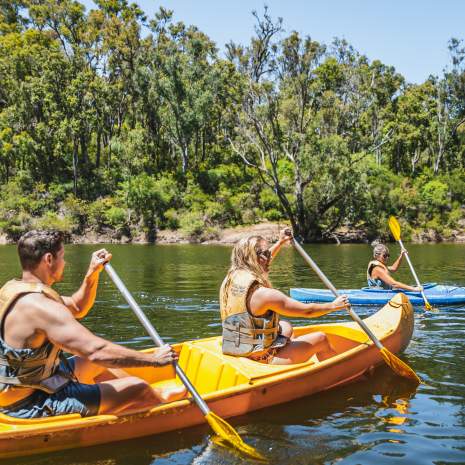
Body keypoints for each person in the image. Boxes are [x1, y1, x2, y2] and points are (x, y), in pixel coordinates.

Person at [0, 230, 186, 419]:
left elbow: (77, 306)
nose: (65, 263)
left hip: (33, 385)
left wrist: (92, 273)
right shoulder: (43, 308)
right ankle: (153, 397)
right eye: (62, 257)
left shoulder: (14, 291)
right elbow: (96, 351)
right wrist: (155, 360)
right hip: (32, 404)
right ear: (49, 259)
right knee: (138, 387)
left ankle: (124, 397)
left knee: (92, 364)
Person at [219, 228, 349, 365]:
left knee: (285, 326)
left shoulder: (231, 278)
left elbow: (264, 262)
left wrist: (281, 242)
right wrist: (334, 306)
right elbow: (307, 311)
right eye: (266, 254)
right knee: (321, 339)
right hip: (262, 358)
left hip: (236, 348)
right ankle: (338, 371)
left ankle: (292, 351)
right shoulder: (264, 295)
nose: (270, 257)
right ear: (254, 258)